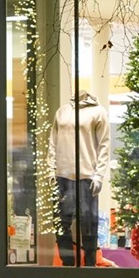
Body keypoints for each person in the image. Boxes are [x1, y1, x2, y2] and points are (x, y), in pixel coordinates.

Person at [46, 90, 111, 267]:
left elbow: (104, 145)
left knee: (88, 225)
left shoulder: (98, 112)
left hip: (87, 175)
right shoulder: (62, 111)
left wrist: (99, 175)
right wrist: (51, 170)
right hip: (62, 175)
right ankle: (67, 264)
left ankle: (89, 265)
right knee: (61, 223)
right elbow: (53, 142)